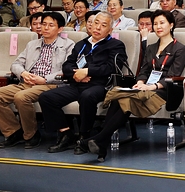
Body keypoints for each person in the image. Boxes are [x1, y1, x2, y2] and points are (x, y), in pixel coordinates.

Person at [82, 10, 185, 161]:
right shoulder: (151, 47)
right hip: (145, 88)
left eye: (162, 23)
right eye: (155, 24)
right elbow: (144, 70)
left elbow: (172, 75)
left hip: (166, 91)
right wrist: (140, 82)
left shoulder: (180, 48)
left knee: (127, 100)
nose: (158, 27)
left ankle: (100, 139)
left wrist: (152, 86)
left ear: (171, 25)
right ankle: (101, 144)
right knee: (118, 98)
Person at [39, 12, 127, 154]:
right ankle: (65, 134)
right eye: (96, 23)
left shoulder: (116, 45)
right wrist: (76, 73)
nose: (97, 27)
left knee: (87, 96)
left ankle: (84, 136)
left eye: (103, 25)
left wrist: (87, 71)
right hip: (77, 84)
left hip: (101, 85)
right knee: (46, 97)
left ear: (110, 30)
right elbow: (67, 65)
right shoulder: (81, 44)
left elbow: (112, 67)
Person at [0, 12, 75, 149]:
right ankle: (14, 132)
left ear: (60, 29)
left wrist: (44, 79)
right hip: (27, 82)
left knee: (21, 97)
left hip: (50, 84)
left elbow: (67, 70)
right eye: (43, 24)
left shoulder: (69, 45)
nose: (45, 28)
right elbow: (15, 64)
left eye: (51, 25)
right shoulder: (32, 44)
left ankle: (31, 135)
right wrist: (23, 73)